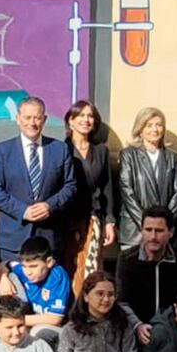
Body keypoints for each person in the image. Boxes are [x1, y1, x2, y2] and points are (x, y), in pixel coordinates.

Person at [0, 96, 78, 262]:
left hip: (49, 238)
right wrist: (23, 211)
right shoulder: (3, 151)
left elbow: (70, 186)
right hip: (13, 241)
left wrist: (50, 206)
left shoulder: (60, 149)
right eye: (27, 117)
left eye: (37, 117)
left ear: (45, 119)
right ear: (18, 119)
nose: (32, 123)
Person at [62, 100, 117, 293]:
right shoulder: (61, 150)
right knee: (69, 264)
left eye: (90, 116)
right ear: (71, 121)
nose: (86, 120)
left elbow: (107, 187)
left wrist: (110, 221)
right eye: (81, 116)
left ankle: (89, 311)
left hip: (94, 217)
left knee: (91, 266)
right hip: (67, 219)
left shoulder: (101, 151)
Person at [117, 106, 177, 254]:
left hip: (163, 232)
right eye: (149, 125)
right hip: (135, 231)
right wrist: (146, 225)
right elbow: (127, 191)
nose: (155, 129)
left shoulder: (172, 157)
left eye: (159, 125)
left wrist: (164, 224)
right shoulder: (129, 155)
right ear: (140, 129)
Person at [115, 207, 177, 323]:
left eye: (159, 231)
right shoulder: (127, 259)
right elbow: (122, 302)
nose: (153, 236)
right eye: (148, 230)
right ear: (141, 230)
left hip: (172, 326)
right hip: (135, 326)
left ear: (170, 232)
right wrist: (137, 325)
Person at [0, 236, 70, 333]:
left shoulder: (57, 276)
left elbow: (54, 319)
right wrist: (4, 278)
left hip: (57, 328)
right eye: (25, 266)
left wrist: (13, 320)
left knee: (37, 331)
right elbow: (4, 264)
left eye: (33, 266)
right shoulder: (21, 270)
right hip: (27, 321)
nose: (28, 272)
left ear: (49, 262)